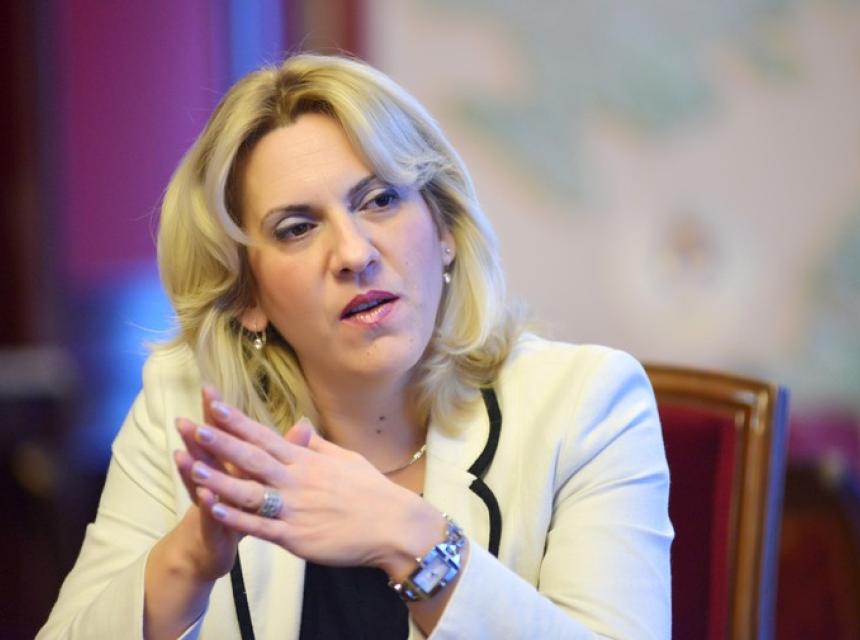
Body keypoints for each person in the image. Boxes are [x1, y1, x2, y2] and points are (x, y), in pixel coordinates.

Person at [37, 53, 672, 639]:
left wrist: (411, 540)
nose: (353, 253)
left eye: (380, 200)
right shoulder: (186, 411)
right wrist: (189, 560)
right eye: (297, 228)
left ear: (445, 231)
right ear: (247, 296)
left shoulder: (586, 405)